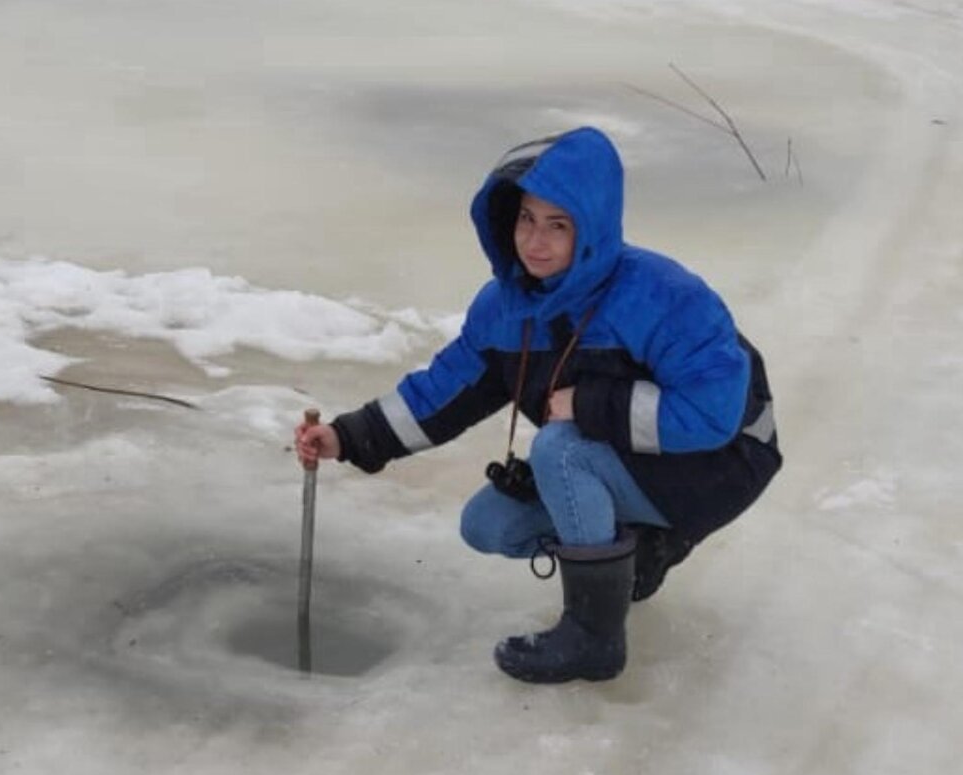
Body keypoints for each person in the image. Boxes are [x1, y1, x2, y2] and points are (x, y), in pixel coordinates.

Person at [294, 127, 781, 684]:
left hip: (725, 462)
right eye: (526, 219)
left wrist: (591, 402)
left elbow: (713, 413)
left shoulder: (662, 296)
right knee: (488, 524)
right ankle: (646, 547)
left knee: (562, 451)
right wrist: (347, 437)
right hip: (636, 458)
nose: (536, 241)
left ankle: (595, 637)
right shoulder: (508, 307)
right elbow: (442, 390)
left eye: (558, 224)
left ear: (592, 229)